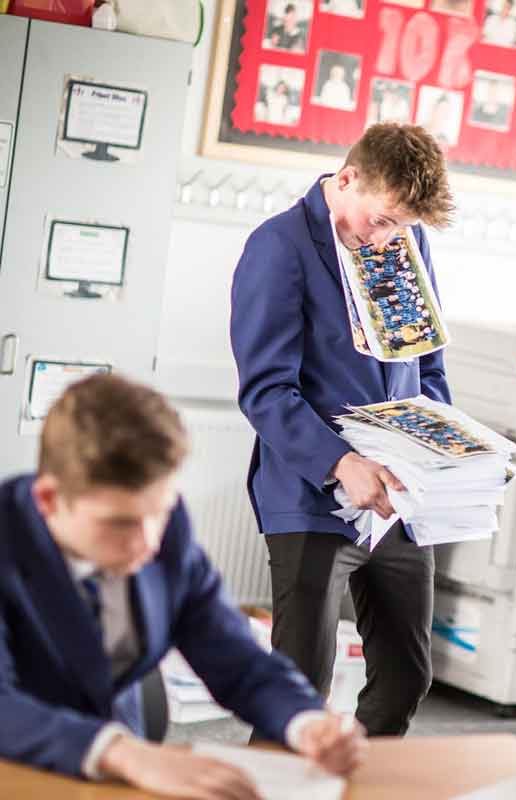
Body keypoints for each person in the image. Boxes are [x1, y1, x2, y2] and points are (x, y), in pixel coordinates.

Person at [0, 374, 366, 798]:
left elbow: (234, 656)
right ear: (48, 500)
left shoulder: (164, 529)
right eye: (119, 523)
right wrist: (121, 752)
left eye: (158, 511)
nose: (147, 542)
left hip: (119, 779)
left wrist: (306, 723)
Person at [230, 123, 455, 737]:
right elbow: (265, 390)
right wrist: (340, 463)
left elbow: (427, 366)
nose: (387, 239)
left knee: (408, 675)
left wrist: (440, 450)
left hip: (398, 495)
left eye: (403, 227)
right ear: (347, 178)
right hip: (312, 494)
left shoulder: (403, 242)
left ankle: (356, 780)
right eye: (381, 221)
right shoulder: (279, 246)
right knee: (301, 688)